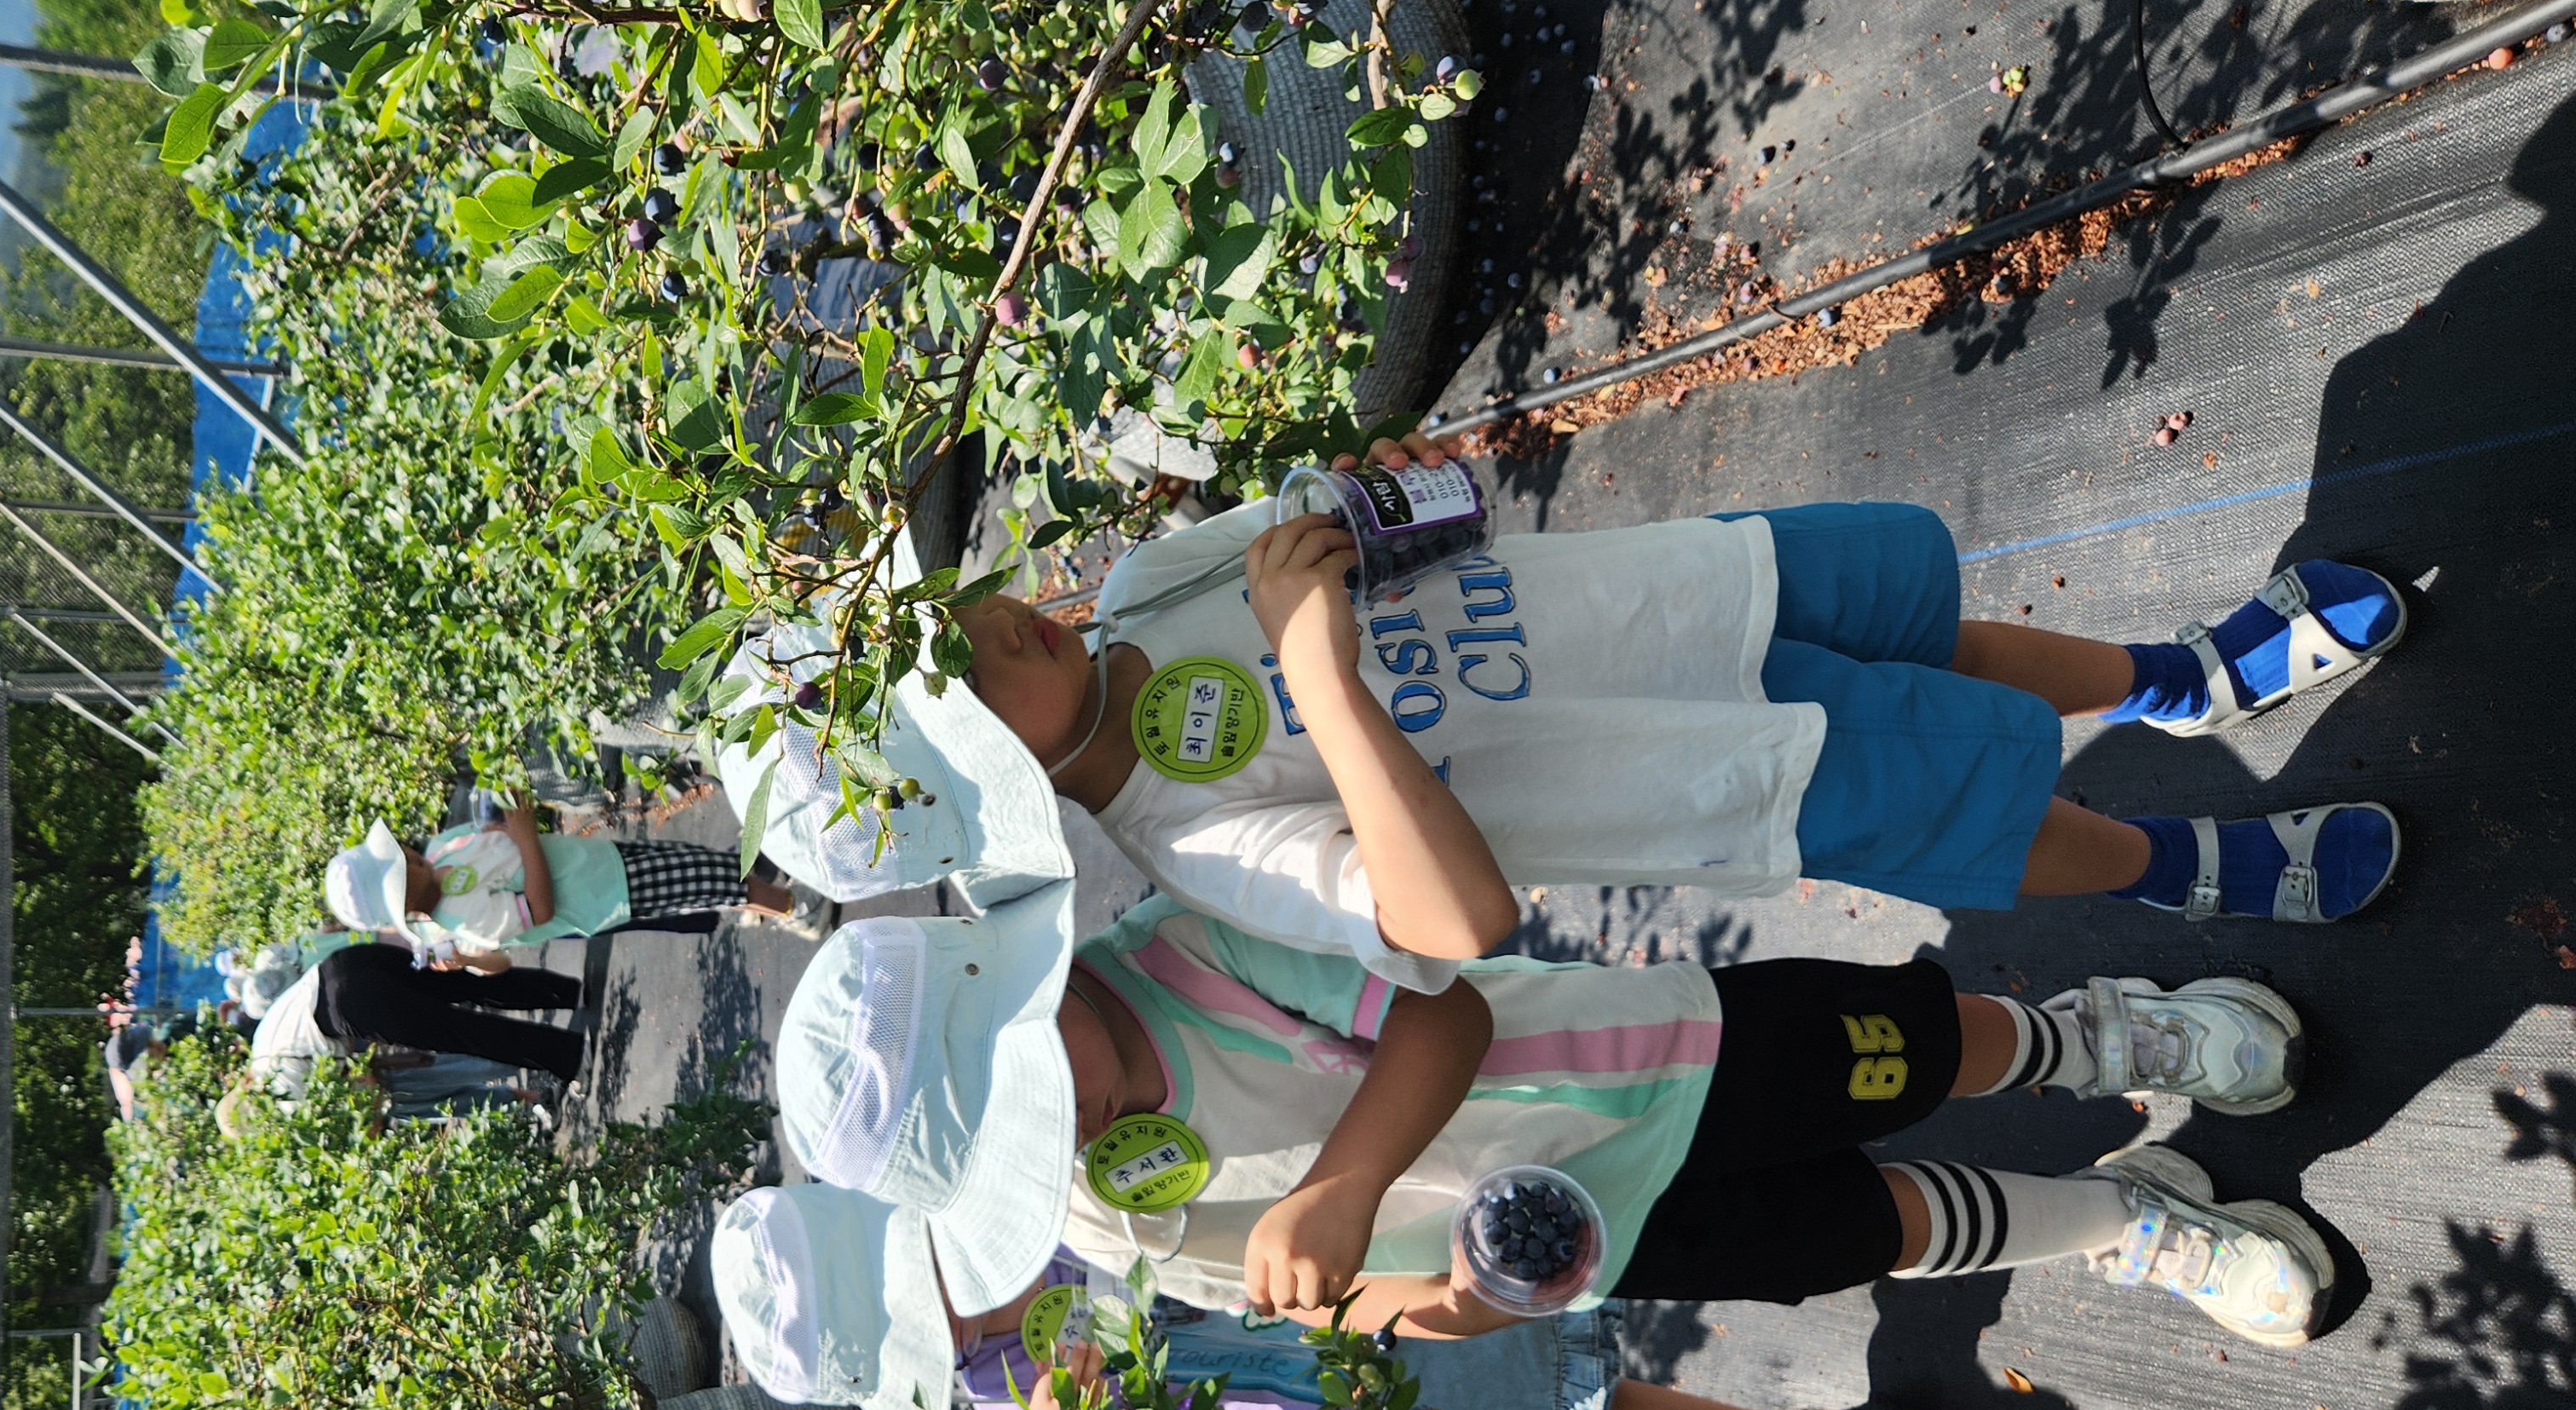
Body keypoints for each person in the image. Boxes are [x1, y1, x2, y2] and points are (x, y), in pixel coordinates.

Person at [769, 890, 2334, 1410]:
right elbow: (1336, 1303)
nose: (1086, 1120)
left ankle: (2104, 1035)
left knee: (1915, 1053)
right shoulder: (1102, 1215)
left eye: (1051, 1088)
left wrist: (1341, 1184)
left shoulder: (1187, 945)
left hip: (1657, 1054)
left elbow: (1439, 1015)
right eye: (1032, 1147)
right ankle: (2130, 1227)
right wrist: (1445, 1301)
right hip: (1594, 1230)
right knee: (1877, 1232)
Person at [949, 462, 2406, 987]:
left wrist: (1366, 501)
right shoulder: (1198, 839)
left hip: (1672, 598)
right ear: (996, 788)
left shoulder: (1148, 589)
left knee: (1935, 643)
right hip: (1700, 760)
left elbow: (1371, 523)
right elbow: (1451, 925)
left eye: (966, 608)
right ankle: (2191, 869)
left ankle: (2189, 674)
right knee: (1981, 803)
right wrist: (1320, 685)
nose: (998, 618)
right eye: (968, 674)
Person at [710, 1177, 1669, 1410]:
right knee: (1552, 1398)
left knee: (1554, 1245)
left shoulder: (1018, 1193)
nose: (952, 1316)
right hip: (1331, 1375)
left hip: (1337, 1247)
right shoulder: (1013, 1403)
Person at [325, 791, 824, 965]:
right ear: (407, 902)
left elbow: (493, 837)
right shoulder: (463, 921)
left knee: (701, 870)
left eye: (401, 852)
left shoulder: (441, 849)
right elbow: (539, 912)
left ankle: (778, 906)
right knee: (716, 878)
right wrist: (525, 838)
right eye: (402, 866)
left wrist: (505, 818)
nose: (411, 853)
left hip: (599, 862)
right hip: (608, 894)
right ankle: (799, 911)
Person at [254, 936, 589, 1089]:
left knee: (464, 1033)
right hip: (343, 963)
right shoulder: (260, 1046)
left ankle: (569, 1056)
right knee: (461, 982)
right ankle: (569, 992)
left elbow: (348, 1084)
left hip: (350, 1006)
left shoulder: (276, 1089)